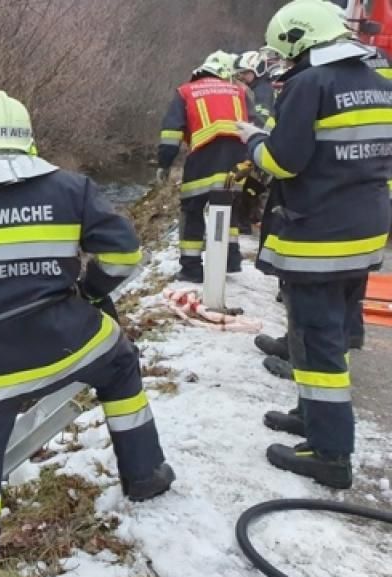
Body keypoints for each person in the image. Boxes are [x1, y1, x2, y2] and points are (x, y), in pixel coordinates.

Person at [0, 91, 174, 573]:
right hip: (68, 343)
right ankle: (145, 474)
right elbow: (124, 255)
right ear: (28, 139)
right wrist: (90, 291)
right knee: (120, 366)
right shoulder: (72, 189)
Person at [238, 1, 392, 489]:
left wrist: (253, 138)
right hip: (364, 231)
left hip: (318, 236)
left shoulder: (310, 84)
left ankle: (330, 452)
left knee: (316, 342)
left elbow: (284, 162)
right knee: (334, 334)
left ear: (297, 39)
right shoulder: (378, 80)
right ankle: (311, 417)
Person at [158, 51, 251, 282]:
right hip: (239, 156)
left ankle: (191, 268)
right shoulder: (239, 91)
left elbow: (171, 133)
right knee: (228, 207)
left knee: (192, 210)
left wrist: (164, 163)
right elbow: (252, 125)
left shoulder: (186, 92)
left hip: (204, 157)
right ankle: (231, 258)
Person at [234, 51, 275, 127]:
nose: (240, 77)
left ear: (257, 70)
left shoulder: (262, 91)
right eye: (239, 74)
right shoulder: (260, 87)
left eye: (244, 73)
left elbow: (261, 121)